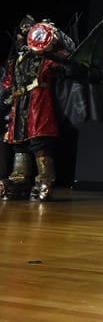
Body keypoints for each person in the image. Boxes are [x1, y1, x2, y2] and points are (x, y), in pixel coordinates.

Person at [0, 16, 75, 201]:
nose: (21, 37)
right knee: (19, 145)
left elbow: (66, 66)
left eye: (25, 33)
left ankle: (44, 179)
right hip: (19, 104)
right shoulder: (14, 62)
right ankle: (19, 179)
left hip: (38, 102)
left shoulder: (44, 58)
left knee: (39, 144)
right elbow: (8, 84)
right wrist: (5, 100)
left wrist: (61, 61)